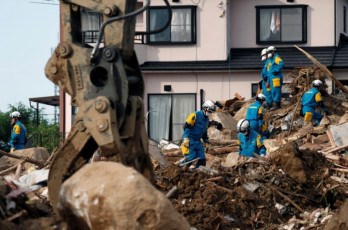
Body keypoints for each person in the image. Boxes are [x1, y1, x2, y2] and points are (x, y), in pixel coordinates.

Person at [179, 100, 216, 169]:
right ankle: (179, 168)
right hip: (190, 140)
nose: (210, 113)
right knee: (190, 158)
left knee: (202, 159)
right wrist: (186, 138)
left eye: (211, 112)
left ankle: (198, 173)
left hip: (197, 141)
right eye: (209, 111)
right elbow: (186, 127)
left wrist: (206, 140)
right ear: (205, 108)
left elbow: (204, 131)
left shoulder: (206, 119)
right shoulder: (195, 115)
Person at [266, 46, 284, 110]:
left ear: (273, 52)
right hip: (272, 77)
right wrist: (268, 81)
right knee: (273, 91)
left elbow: (281, 64)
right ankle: (275, 104)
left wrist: (276, 70)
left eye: (269, 52)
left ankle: (277, 105)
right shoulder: (272, 59)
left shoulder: (276, 57)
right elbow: (269, 72)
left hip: (276, 77)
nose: (268, 54)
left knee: (276, 91)